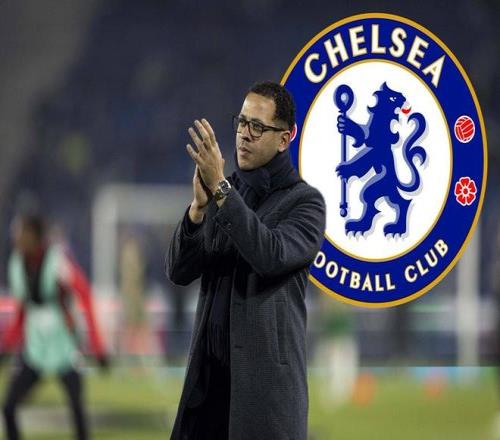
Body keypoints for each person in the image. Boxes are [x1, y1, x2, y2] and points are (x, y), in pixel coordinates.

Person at [166, 81, 326, 440]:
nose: (244, 134)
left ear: (284, 139)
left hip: (263, 397)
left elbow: (269, 255)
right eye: (241, 122)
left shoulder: (305, 203)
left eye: (257, 126)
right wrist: (198, 209)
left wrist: (221, 191)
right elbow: (178, 270)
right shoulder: (226, 192)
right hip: (208, 391)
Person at [0, 214, 109, 440]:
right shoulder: (16, 264)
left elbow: (85, 294)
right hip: (35, 348)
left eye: (22, 232)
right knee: (8, 407)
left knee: (77, 411)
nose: (16, 237)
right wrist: (6, 346)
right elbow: (22, 312)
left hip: (64, 347)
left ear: (35, 236)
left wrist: (98, 347)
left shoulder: (57, 261)